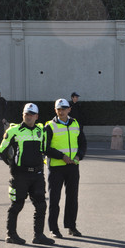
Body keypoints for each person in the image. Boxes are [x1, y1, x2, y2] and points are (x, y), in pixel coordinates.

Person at [0, 103, 55, 245]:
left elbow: (44, 148)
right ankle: (11, 235)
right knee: (17, 205)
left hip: (37, 174)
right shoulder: (14, 130)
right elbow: (2, 149)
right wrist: (12, 165)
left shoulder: (41, 131)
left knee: (41, 205)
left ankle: (39, 236)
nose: (28, 116)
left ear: (36, 116)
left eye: (31, 114)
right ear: (23, 115)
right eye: (26, 114)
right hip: (20, 175)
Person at [45, 98, 87, 238]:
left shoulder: (75, 124)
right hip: (56, 167)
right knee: (54, 199)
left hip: (73, 167)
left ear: (69, 109)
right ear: (55, 110)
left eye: (64, 109)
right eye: (59, 109)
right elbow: (45, 148)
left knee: (72, 198)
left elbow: (83, 144)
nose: (61, 111)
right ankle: (53, 229)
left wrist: (78, 156)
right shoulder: (49, 126)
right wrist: (61, 156)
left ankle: (71, 226)